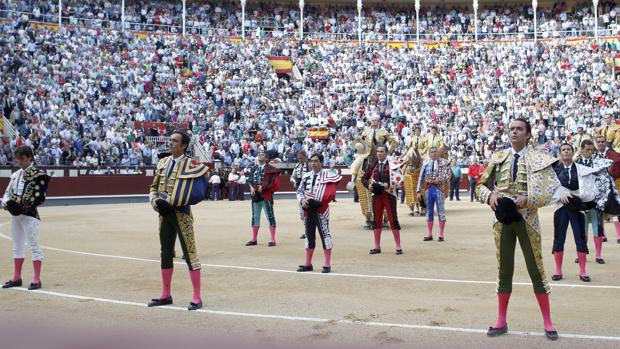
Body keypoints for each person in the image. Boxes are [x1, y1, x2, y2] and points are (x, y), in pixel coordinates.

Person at [476, 118, 560, 341]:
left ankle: (548, 321)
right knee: (504, 270)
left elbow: (552, 189)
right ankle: (501, 320)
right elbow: (479, 186)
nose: (514, 132)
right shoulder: (498, 157)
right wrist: (490, 196)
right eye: (511, 129)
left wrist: (530, 198)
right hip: (502, 220)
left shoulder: (538, 158)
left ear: (528, 134)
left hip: (527, 219)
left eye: (519, 129)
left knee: (536, 269)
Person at [148, 131, 208, 311]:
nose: (171, 143)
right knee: (165, 252)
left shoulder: (192, 165)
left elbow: (197, 193)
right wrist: (155, 202)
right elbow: (153, 187)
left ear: (183, 146)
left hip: (182, 214)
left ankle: (197, 297)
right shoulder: (163, 162)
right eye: (171, 140)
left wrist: (169, 202)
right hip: (164, 215)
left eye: (175, 141)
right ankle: (166, 294)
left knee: (190, 253)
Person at [2, 146, 51, 290]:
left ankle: (37, 279)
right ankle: (16, 278)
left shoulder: (38, 175)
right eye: (18, 160)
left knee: (34, 246)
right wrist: (6, 203)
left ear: (29, 158)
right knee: (16, 247)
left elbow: (41, 198)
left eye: (22, 159)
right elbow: (7, 193)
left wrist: (21, 206)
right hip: (15, 216)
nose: (20, 162)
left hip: (29, 215)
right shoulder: (16, 175)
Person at [551, 143, 597, 283]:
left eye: (568, 150)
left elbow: (589, 187)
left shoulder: (581, 169)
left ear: (573, 152)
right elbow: (548, 187)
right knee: (559, 237)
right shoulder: (554, 170)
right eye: (563, 150)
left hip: (576, 206)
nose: (566, 152)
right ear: (560, 153)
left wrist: (580, 199)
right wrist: (560, 194)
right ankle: (558, 270)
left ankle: (583, 271)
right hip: (561, 207)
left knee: (580, 237)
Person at [296, 153, 341, 273]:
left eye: (316, 161)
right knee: (309, 235)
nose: (313, 163)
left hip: (321, 210)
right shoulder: (306, 176)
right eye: (312, 161)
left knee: (325, 235)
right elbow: (299, 191)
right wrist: (302, 200)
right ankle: (308, 263)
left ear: (321, 163)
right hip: (307, 210)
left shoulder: (328, 175)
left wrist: (317, 201)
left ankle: (327, 264)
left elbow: (330, 193)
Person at [362, 145, 403, 255]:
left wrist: (387, 185)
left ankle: (398, 247)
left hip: (389, 194)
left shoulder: (393, 164)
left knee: (393, 219)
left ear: (386, 152)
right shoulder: (372, 165)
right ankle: (377, 246)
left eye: (382, 151)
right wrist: (368, 186)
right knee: (377, 220)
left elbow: (399, 179)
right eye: (378, 151)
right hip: (377, 195)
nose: (379, 153)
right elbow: (363, 179)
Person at [575, 139, 606, 264]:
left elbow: (603, 181)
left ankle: (598, 255)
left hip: (595, 201)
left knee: (597, 227)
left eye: (592, 150)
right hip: (581, 202)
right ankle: (583, 253)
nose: (590, 152)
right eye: (587, 150)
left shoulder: (597, 163)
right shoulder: (575, 164)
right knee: (582, 229)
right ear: (582, 149)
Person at [245, 147, 281, 247]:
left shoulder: (270, 169)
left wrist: (264, 187)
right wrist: (251, 187)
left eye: (262, 154)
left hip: (266, 195)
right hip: (255, 195)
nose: (260, 155)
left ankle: (273, 239)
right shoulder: (254, 168)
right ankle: (254, 239)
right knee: (255, 217)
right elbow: (250, 180)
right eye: (259, 154)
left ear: (266, 158)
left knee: (270, 216)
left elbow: (273, 182)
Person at [417, 147, 452, 241]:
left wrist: (441, 179)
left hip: (439, 189)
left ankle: (441, 234)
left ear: (438, 153)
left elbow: (449, 175)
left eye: (435, 152)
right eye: (432, 152)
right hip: (429, 189)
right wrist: (418, 191)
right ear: (429, 153)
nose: (434, 153)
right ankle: (429, 234)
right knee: (429, 211)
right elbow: (420, 177)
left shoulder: (444, 162)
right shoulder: (426, 163)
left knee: (441, 211)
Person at [401, 126, 425, 215]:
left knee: (427, 162)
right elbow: (408, 147)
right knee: (406, 161)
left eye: (418, 131)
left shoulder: (424, 138)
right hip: (412, 154)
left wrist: (421, 152)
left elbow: (426, 148)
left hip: (422, 154)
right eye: (416, 131)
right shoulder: (412, 138)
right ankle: (401, 174)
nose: (417, 132)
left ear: (420, 131)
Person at [291, 150, 310, 239]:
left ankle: (310, 230)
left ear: (305, 157)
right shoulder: (297, 166)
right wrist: (294, 181)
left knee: (311, 210)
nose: (300, 160)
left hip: (309, 189)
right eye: (298, 158)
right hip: (300, 189)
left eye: (301, 158)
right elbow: (292, 177)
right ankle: (306, 231)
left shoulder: (310, 165)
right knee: (302, 211)